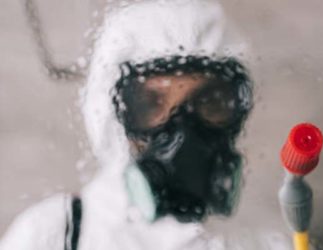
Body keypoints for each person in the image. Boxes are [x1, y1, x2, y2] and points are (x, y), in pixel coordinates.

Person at [0, 0, 292, 249]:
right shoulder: (55, 235)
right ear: (113, 116)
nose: (183, 130)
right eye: (152, 105)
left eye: (208, 102)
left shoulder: (262, 242)